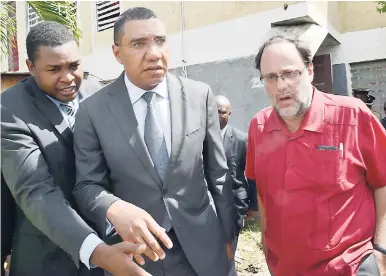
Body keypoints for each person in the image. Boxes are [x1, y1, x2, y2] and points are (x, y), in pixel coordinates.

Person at [73, 7, 234, 276]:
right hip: (136, 256)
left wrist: (229, 237)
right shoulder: (93, 111)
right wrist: (113, 207)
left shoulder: (198, 96)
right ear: (117, 53)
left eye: (160, 41)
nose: (154, 53)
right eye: (138, 44)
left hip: (204, 250)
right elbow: (87, 185)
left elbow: (218, 175)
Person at [1, 21, 149, 276]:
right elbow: (35, 191)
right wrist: (98, 252)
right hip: (47, 259)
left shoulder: (97, 92)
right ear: (31, 67)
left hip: (114, 252)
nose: (68, 78)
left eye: (74, 66)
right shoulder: (9, 110)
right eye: (54, 69)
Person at [245, 35, 386, 276]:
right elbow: (263, 192)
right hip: (286, 269)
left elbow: (383, 183)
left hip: (351, 266)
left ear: (310, 71)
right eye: (270, 77)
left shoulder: (352, 116)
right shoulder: (258, 127)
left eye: (290, 73)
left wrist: (381, 251)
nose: (281, 85)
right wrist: (267, 248)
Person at [215, 95, 258, 276]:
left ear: (229, 114)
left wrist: (254, 206)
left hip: (234, 207)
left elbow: (253, 176)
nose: (217, 116)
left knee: (228, 251)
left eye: (222, 112)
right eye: (213, 112)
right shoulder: (200, 139)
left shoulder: (241, 140)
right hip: (208, 206)